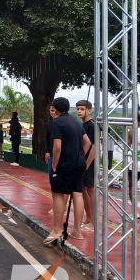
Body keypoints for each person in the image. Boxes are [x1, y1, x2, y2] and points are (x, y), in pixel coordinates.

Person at [44, 97, 91, 246]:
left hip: (64, 164)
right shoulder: (77, 122)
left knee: (58, 193)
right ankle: (77, 231)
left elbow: (57, 147)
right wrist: (80, 155)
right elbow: (87, 142)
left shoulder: (56, 123)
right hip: (79, 163)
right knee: (77, 194)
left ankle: (57, 230)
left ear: (56, 109)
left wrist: (54, 166)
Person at [76, 100, 96, 228]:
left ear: (89, 110)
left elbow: (94, 147)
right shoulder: (82, 125)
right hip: (82, 161)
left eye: (82, 109)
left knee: (89, 190)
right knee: (84, 190)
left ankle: (92, 220)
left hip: (89, 162)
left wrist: (87, 164)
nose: (79, 111)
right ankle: (88, 217)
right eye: (78, 109)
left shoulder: (92, 126)